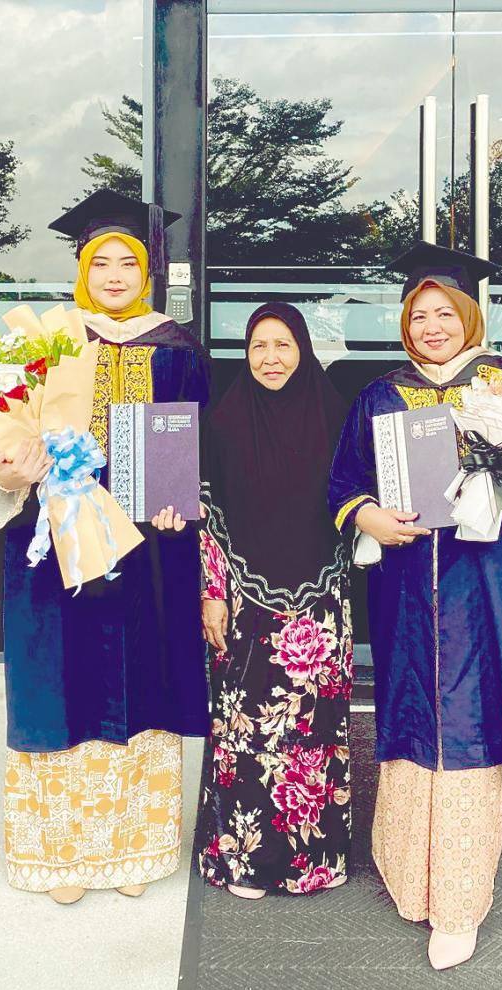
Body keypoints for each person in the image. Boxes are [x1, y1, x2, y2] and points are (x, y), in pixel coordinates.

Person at [328, 242, 502, 968]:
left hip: (485, 590)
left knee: (470, 726)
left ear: (469, 315)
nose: (432, 326)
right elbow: (342, 481)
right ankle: (408, 878)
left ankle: (461, 902)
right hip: (408, 589)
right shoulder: (381, 394)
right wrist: (365, 514)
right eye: (419, 314)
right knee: (410, 716)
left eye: (445, 312)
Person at [0, 189, 210, 904]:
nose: (114, 276)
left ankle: (131, 850)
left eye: (128, 264)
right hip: (50, 541)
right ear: (81, 268)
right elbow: (1, 437)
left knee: (139, 677)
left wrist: (184, 506)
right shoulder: (45, 344)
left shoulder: (174, 347)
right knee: (60, 677)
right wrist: (6, 471)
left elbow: (194, 445)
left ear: (147, 274)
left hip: (144, 548)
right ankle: (63, 855)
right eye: (99, 261)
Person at [197, 302, 353, 898]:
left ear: (304, 350)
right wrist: (213, 595)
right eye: (259, 346)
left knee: (313, 736)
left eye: (283, 345)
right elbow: (207, 516)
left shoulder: (335, 415)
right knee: (245, 732)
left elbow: (358, 501)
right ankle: (244, 860)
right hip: (243, 603)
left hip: (321, 604)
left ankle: (315, 859)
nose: (270, 358)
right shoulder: (224, 419)